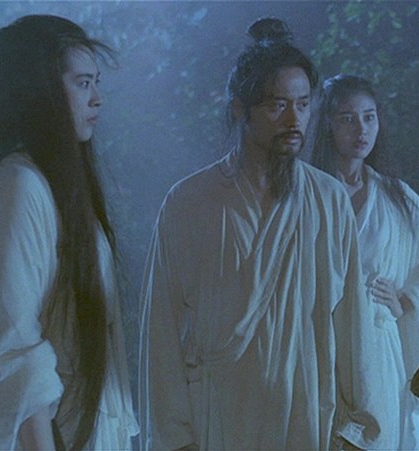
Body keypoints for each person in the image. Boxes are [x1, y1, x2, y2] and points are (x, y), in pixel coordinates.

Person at [139, 18, 385, 450]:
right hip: (218, 418)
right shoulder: (190, 202)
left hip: (306, 410)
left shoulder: (328, 200)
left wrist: (356, 429)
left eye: (303, 105)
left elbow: (353, 324)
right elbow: (161, 330)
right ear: (240, 109)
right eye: (277, 105)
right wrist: (176, 438)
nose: (294, 119)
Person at [0, 15, 138, 450]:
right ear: (41, 92)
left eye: (96, 83)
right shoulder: (18, 187)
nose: (97, 98)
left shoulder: (55, 187)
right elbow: (9, 352)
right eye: (82, 83)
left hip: (82, 426)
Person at [311, 74, 419, 450]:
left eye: (369, 117)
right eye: (347, 118)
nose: (360, 129)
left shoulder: (395, 196)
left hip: (379, 352)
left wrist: (408, 299)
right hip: (321, 347)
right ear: (327, 124)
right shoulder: (306, 193)